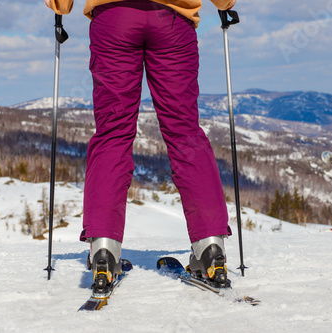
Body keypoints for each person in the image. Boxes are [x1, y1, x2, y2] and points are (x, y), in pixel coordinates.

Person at [44, 0, 236, 294]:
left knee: (112, 132)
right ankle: (210, 247)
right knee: (185, 132)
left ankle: (104, 250)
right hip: (172, 19)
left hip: (114, 17)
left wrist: (61, 5)